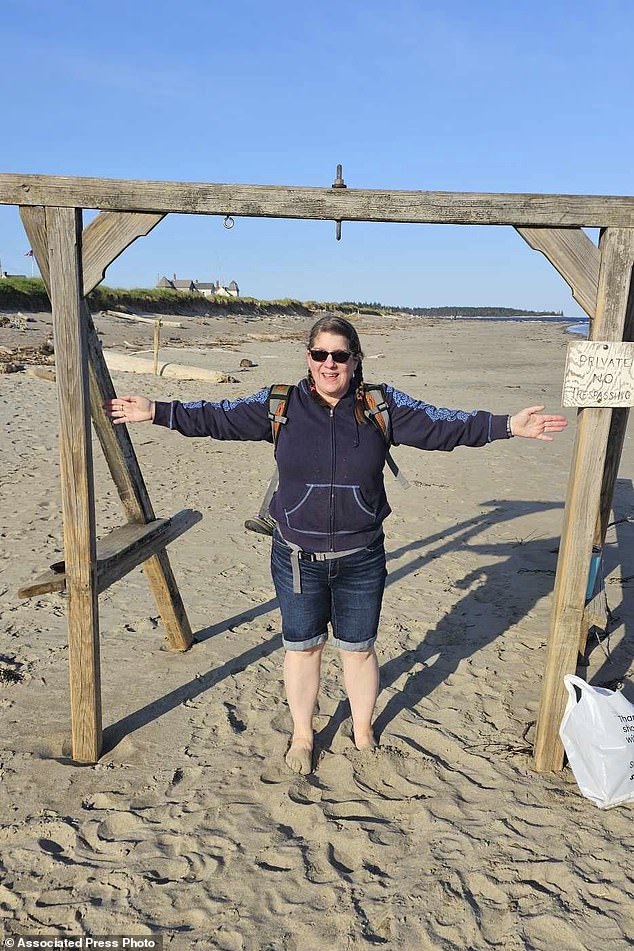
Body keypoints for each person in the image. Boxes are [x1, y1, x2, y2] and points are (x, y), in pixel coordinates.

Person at [104, 316, 568, 775]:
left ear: (354, 359)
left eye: (340, 355)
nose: (330, 364)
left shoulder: (380, 404)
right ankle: (303, 735)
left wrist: (508, 424)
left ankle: (363, 731)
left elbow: (443, 425)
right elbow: (217, 416)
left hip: (362, 557)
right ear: (308, 359)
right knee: (303, 648)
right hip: (296, 558)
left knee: (359, 649)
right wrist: (157, 411)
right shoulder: (278, 404)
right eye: (320, 355)